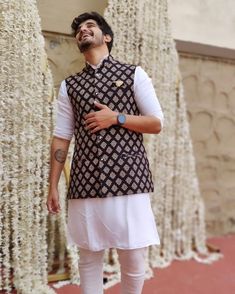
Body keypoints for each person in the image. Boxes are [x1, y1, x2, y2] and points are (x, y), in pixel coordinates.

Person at [47, 11, 164, 294]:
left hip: (130, 180)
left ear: (106, 37)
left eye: (90, 26)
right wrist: (52, 185)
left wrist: (116, 118)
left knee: (133, 257)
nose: (83, 30)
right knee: (88, 257)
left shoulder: (133, 74)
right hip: (86, 181)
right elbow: (61, 138)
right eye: (79, 30)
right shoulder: (69, 86)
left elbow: (156, 123)